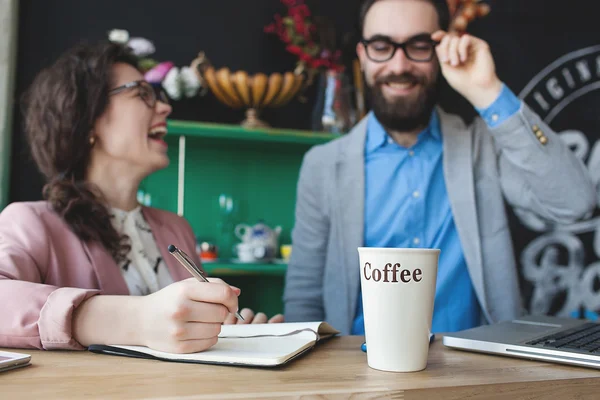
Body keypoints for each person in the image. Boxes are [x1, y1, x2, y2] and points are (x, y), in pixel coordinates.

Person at [283, 0, 596, 335]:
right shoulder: (323, 166)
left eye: (419, 45)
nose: (399, 64)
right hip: (358, 375)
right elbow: (304, 298)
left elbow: (575, 202)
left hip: (478, 376)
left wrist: (489, 92)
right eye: (381, 46)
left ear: (441, 49)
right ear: (362, 55)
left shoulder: (483, 148)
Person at [0, 41, 283, 353]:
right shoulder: (29, 222)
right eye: (142, 94)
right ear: (86, 118)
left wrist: (229, 330)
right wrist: (135, 320)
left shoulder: (176, 229)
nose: (164, 107)